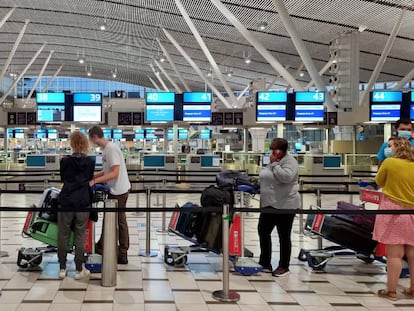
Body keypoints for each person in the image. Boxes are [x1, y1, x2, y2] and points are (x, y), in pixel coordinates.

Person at [373, 137, 414, 301]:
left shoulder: (390, 162)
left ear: (397, 148)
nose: (387, 148)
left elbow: (378, 181)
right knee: (412, 253)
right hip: (413, 211)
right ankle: (412, 289)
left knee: (394, 255)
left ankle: (391, 291)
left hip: (393, 212)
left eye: (389, 146)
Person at [88, 126, 131, 264]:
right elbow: (107, 170)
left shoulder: (111, 149)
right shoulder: (106, 150)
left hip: (119, 190)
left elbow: (114, 173)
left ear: (95, 136)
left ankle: (123, 252)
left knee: (119, 220)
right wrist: (93, 176)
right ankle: (102, 246)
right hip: (113, 189)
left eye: (90, 138)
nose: (91, 141)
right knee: (109, 219)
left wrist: (95, 181)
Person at [258, 138, 300, 277]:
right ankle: (265, 263)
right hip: (269, 204)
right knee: (263, 231)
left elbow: (286, 177)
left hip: (285, 205)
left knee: (283, 235)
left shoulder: (290, 161)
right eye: (271, 149)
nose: (272, 152)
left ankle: (284, 266)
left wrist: (275, 164)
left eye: (274, 149)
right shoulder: (273, 161)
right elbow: (267, 176)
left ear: (282, 150)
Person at [58, 131, 95, 280]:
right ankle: (79, 269)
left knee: (63, 234)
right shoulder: (90, 162)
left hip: (66, 200)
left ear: (72, 144)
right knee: (80, 235)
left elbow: (63, 178)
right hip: (83, 201)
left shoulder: (64, 161)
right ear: (85, 144)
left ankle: (62, 267)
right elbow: (89, 178)